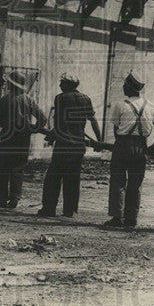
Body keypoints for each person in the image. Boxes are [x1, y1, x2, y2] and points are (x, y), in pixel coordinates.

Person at [0, 71, 47, 209]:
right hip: (23, 138)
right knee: (18, 168)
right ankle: (14, 198)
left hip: (8, 137)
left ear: (11, 84)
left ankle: (1, 199)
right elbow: (43, 118)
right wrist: (33, 129)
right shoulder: (28, 99)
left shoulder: (4, 100)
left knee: (4, 167)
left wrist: (5, 124)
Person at [105, 72, 154, 229]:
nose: (123, 87)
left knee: (118, 181)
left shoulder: (120, 105)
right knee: (135, 183)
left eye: (125, 85)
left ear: (129, 87)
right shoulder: (150, 106)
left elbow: (116, 126)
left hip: (122, 145)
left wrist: (120, 143)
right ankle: (131, 219)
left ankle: (117, 217)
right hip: (141, 147)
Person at [38, 73, 101, 218]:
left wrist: (52, 136)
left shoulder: (61, 98)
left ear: (68, 85)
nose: (60, 85)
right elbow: (93, 120)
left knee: (53, 177)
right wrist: (98, 141)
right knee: (72, 178)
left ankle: (49, 209)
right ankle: (69, 210)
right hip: (79, 145)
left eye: (62, 83)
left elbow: (59, 122)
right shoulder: (86, 99)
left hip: (63, 144)